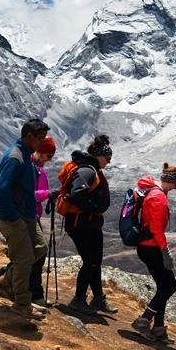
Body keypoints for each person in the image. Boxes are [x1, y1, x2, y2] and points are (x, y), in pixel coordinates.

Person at [0, 119, 51, 320]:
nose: (42, 143)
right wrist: (12, 217)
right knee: (24, 258)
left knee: (40, 248)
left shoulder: (25, 156)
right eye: (40, 139)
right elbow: (1, 190)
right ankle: (22, 303)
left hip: (26, 216)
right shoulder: (16, 157)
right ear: (29, 136)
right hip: (16, 218)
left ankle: (5, 280)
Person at [63, 134, 116, 315]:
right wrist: (93, 208)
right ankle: (78, 299)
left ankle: (98, 299)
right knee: (90, 262)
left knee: (95, 262)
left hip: (90, 223)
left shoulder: (93, 169)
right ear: (99, 155)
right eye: (107, 158)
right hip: (82, 223)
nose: (108, 162)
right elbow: (77, 193)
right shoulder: (88, 170)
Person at [131, 163, 176, 341]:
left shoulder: (154, 193)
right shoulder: (158, 197)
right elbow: (155, 227)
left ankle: (159, 328)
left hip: (148, 246)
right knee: (170, 286)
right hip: (151, 247)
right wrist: (164, 250)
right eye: (175, 184)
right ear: (169, 181)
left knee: (163, 286)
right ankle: (144, 320)